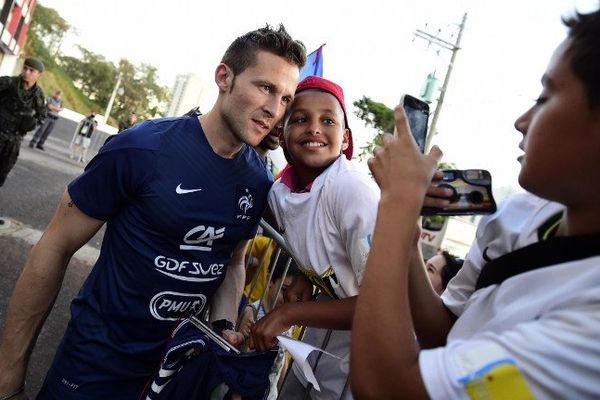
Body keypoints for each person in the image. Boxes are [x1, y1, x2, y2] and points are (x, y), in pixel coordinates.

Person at [0, 24, 305, 399]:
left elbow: (232, 262)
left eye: (287, 99)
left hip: (174, 375)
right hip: (95, 368)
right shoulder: (141, 148)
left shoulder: (259, 181)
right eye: (265, 88)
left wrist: (222, 327)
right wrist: (9, 376)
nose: (275, 110)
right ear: (224, 77)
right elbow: (56, 244)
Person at [351, 5, 600, 399]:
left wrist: (396, 207)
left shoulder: (590, 329)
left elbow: (386, 386)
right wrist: (409, 233)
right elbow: (448, 334)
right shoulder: (518, 215)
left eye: (546, 96)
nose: (522, 120)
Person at [251, 76, 380, 400]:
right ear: (282, 134)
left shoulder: (351, 190)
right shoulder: (281, 193)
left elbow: (379, 306)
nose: (314, 128)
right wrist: (304, 278)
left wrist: (287, 314)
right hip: (317, 350)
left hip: (371, 360)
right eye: (299, 119)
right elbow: (315, 238)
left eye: (327, 120)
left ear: (345, 137)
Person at [0, 57, 46, 188]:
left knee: (2, 172)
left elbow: (42, 116)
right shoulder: (8, 82)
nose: (27, 72)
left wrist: (32, 123)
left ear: (39, 75)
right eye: (25, 68)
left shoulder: (38, 95)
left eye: (32, 70)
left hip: (14, 140)